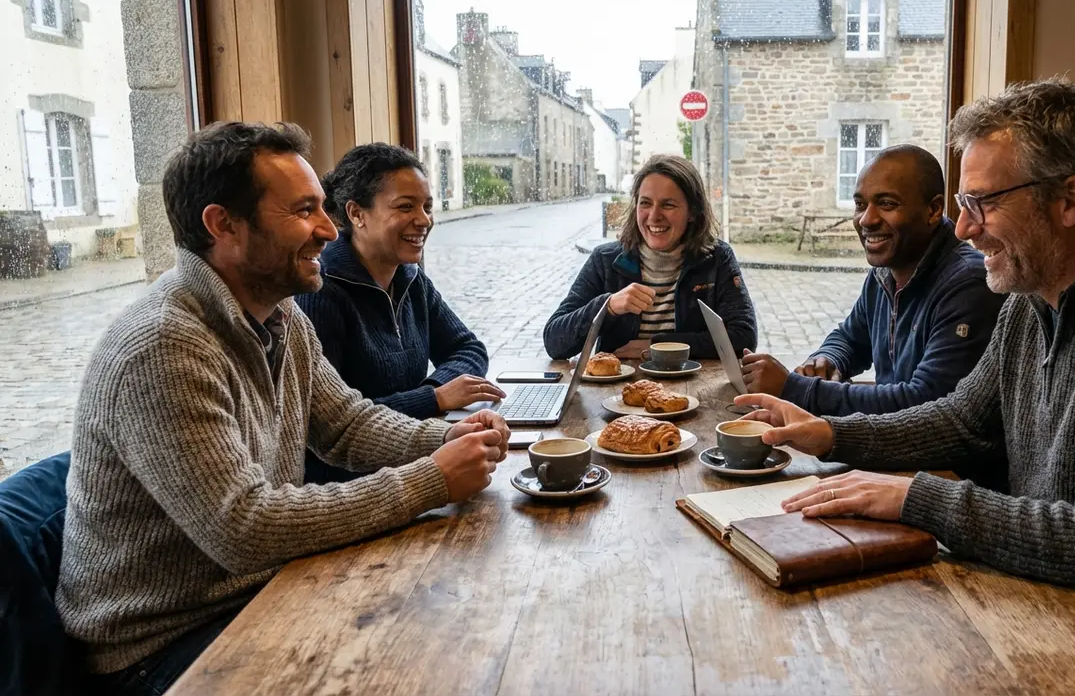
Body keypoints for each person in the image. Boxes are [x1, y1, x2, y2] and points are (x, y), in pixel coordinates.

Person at [733, 79, 1075, 695]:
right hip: (1057, 607)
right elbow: (964, 419)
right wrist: (829, 433)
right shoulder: (1034, 300)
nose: (963, 230)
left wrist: (915, 498)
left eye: (981, 203)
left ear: (1071, 199)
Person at [56, 122, 510, 695]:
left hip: (257, 589)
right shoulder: (161, 347)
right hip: (161, 647)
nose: (327, 229)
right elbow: (244, 528)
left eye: (323, 209)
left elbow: (345, 424)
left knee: (450, 625)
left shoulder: (281, 316)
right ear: (223, 225)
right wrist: (431, 480)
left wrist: (445, 440)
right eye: (303, 211)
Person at [739, 145, 1004, 417]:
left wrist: (796, 389)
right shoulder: (887, 270)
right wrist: (828, 359)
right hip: (890, 447)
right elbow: (852, 338)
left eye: (887, 204)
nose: (866, 219)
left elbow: (925, 403)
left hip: (932, 455)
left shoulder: (969, 283)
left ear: (934, 210)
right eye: (860, 205)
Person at [295, 144, 503, 482]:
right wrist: (432, 398)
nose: (424, 220)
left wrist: (437, 389)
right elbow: (334, 425)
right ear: (356, 214)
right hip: (354, 486)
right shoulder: (321, 293)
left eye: (427, 207)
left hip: (409, 460)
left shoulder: (411, 278)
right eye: (405, 207)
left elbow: (468, 349)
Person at [543, 154, 756, 361]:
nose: (654, 216)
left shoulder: (716, 258)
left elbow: (743, 338)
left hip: (693, 388)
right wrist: (607, 306)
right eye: (645, 203)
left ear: (692, 212)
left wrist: (659, 346)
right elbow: (554, 342)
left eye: (668, 205)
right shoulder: (605, 261)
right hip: (618, 393)